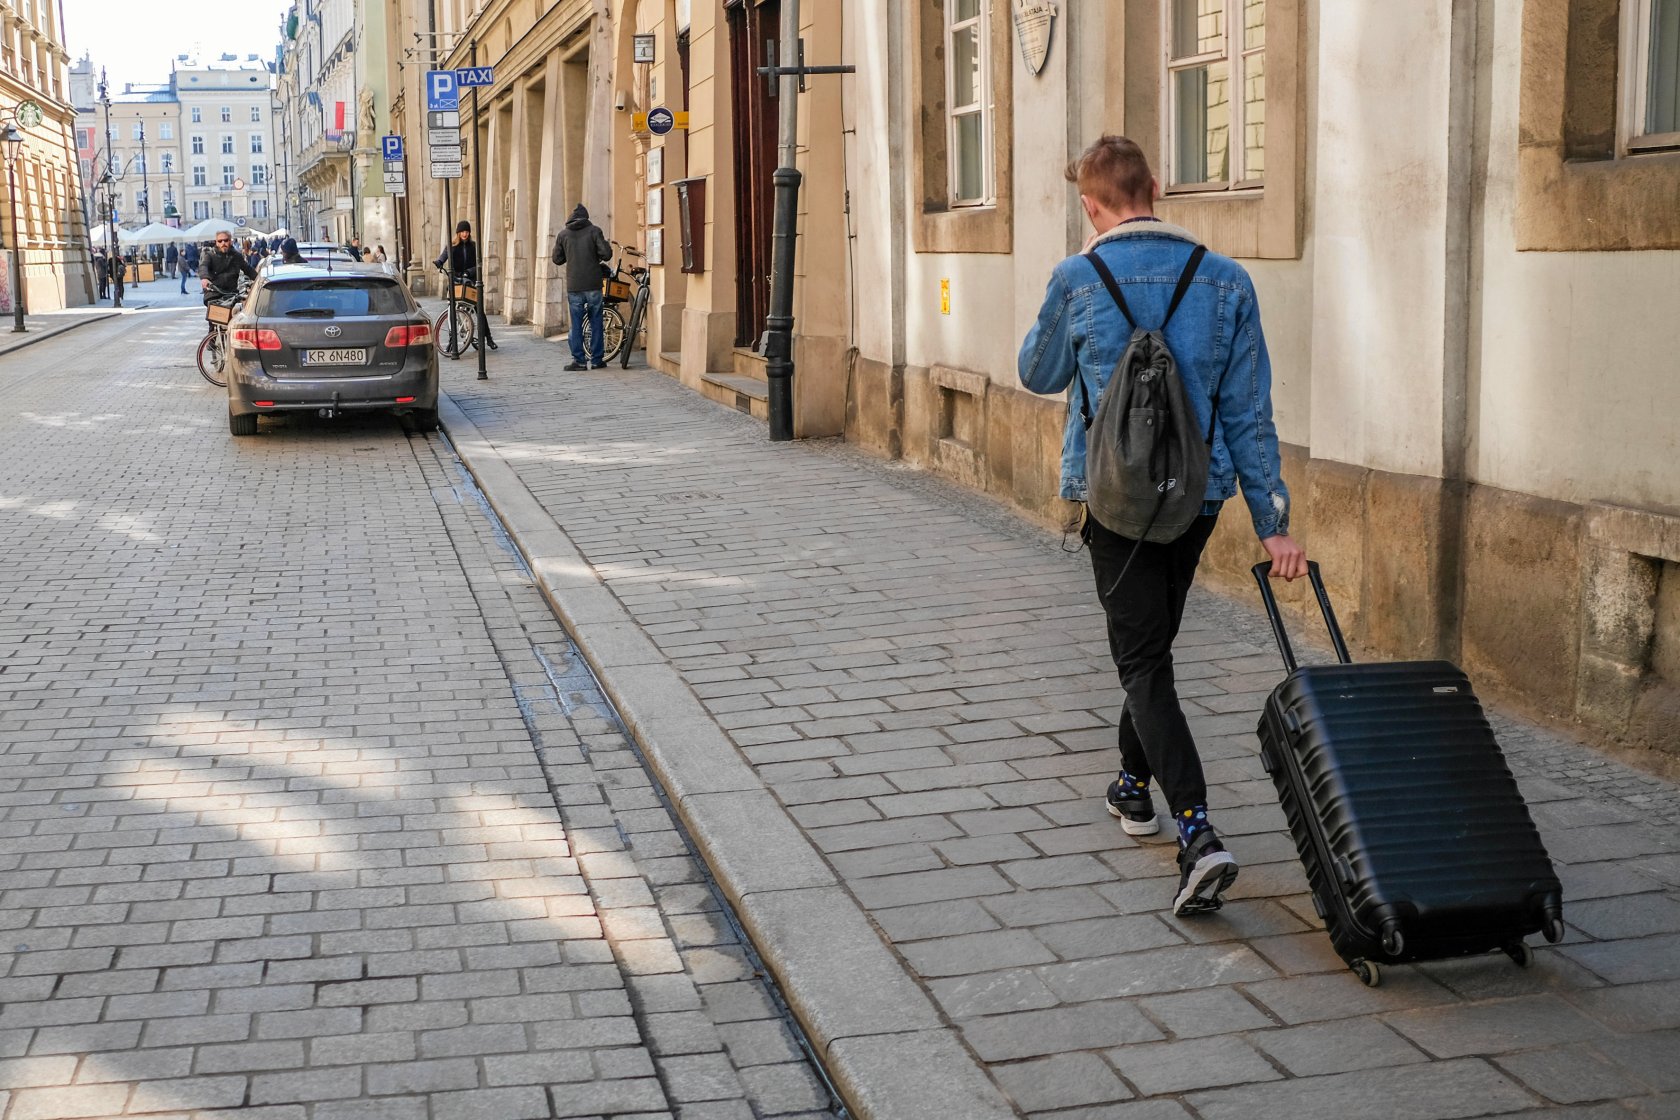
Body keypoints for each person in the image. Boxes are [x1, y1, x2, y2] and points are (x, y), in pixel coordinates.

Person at [1018, 135, 1307, 917]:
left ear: (1091, 203)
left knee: (1143, 659)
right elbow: (1249, 412)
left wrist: (1080, 270)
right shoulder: (1227, 280)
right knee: (1149, 649)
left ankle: (1198, 834)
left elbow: (1035, 372)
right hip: (1196, 501)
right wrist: (1273, 522)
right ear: (1157, 186)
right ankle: (1130, 786)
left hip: (1112, 500)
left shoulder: (1078, 277)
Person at [551, 203, 613, 370]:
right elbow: (606, 254)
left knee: (576, 324)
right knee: (596, 322)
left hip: (574, 285)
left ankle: (579, 361)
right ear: (587, 218)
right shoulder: (594, 231)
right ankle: (597, 360)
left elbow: (556, 259)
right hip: (593, 284)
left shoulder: (563, 235)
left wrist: (570, 254)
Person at [434, 220, 495, 351]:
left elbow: (478, 263)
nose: (465, 234)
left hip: (470, 281)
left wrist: (469, 272)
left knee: (479, 310)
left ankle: (488, 338)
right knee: (451, 307)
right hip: (456, 281)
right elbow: (444, 256)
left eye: (467, 232)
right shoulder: (452, 246)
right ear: (458, 233)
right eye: (462, 232)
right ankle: (452, 338)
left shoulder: (473, 246)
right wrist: (439, 262)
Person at [199, 230, 256, 300]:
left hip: (232, 293)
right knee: (217, 310)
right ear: (216, 243)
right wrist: (204, 278)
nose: (223, 243)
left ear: (230, 241)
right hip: (214, 293)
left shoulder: (236, 256)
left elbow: (248, 269)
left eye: (226, 240)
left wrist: (258, 279)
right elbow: (203, 266)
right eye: (220, 241)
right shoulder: (209, 255)